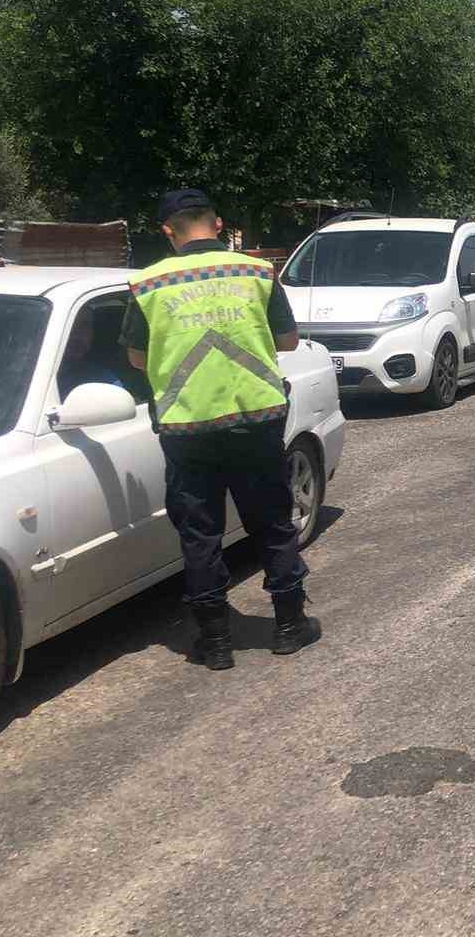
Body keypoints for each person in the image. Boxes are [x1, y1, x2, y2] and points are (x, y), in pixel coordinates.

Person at [121, 189, 320, 670]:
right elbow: (289, 340)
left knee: (199, 532)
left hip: (186, 428)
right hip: (256, 420)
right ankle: (290, 627)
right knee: (272, 519)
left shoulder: (147, 284)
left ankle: (214, 643)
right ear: (217, 224)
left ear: (168, 231)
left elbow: (137, 358)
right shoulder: (256, 272)